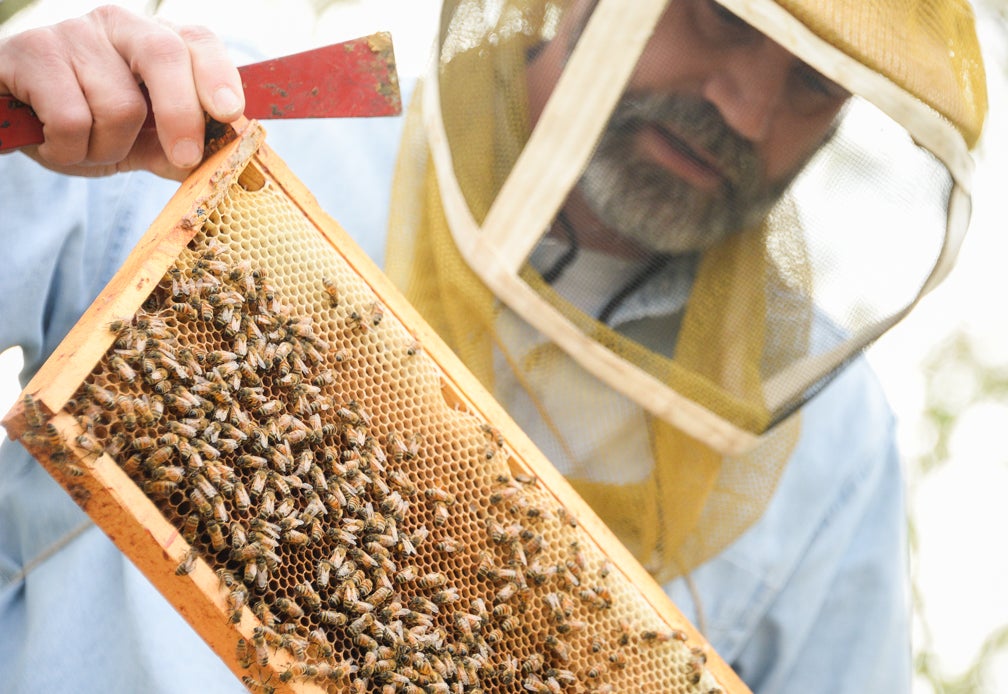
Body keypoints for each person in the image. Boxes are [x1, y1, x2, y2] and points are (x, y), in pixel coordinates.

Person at [0, 1, 987, 693]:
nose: (745, 108)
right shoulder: (216, 131)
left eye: (815, 83)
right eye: (724, 17)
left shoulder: (834, 448)